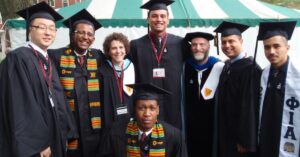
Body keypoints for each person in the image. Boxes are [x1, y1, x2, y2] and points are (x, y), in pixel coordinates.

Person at [0, 2, 75, 157]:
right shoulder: (18, 58)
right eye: (41, 27)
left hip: (54, 133)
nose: (48, 33)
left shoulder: (47, 59)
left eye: (52, 28)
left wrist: (65, 132)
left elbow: (58, 98)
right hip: (38, 144)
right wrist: (38, 145)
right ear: (30, 30)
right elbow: (20, 106)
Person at [48, 9, 105, 157]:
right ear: (72, 34)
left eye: (90, 34)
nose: (86, 37)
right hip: (69, 121)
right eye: (81, 32)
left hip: (94, 123)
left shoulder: (98, 56)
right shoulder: (56, 56)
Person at [129, 0, 184, 129]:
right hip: (146, 108)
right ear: (148, 19)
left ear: (168, 19)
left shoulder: (180, 44)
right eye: (154, 16)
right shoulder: (135, 45)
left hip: (173, 105)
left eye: (162, 16)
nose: (159, 19)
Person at [213, 21, 262, 157]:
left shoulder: (251, 69)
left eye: (231, 41)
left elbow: (250, 108)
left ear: (241, 41)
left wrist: (246, 141)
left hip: (241, 140)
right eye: (223, 42)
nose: (227, 46)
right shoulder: (227, 66)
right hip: (227, 133)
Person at [99, 83, 188, 157]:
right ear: (134, 110)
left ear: (158, 110)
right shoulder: (116, 133)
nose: (147, 114)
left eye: (152, 108)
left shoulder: (174, 137)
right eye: (141, 108)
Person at [257, 21, 300, 157]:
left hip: (292, 142)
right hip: (266, 142)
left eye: (276, 46)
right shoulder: (263, 74)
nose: (271, 51)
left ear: (287, 47)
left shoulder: (298, 74)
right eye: (267, 47)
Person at [182, 32, 224, 157]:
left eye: (202, 44)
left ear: (208, 47)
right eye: (194, 45)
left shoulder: (219, 67)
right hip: (190, 125)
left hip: (212, 124)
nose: (198, 48)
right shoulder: (185, 67)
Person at [99, 32, 135, 127]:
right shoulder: (103, 70)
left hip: (130, 117)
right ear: (108, 51)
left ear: (126, 49)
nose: (118, 51)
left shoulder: (132, 67)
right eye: (114, 48)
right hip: (110, 118)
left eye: (121, 47)